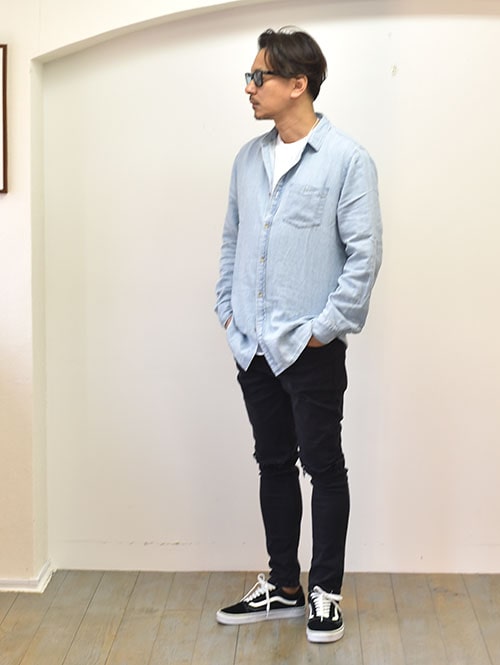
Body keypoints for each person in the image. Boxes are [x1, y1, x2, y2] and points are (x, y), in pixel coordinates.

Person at [214, 27, 382, 643]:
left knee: (324, 466)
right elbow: (232, 239)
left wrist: (323, 330)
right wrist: (228, 311)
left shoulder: (347, 160)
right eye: (251, 77)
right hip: (253, 346)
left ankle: (325, 592)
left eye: (259, 77)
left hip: (310, 350)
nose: (250, 88)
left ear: (297, 84)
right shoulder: (247, 159)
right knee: (273, 464)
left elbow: (364, 257)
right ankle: (283, 584)